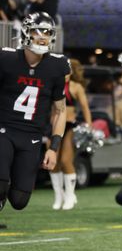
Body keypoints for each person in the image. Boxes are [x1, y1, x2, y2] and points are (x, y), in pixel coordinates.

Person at [0, 12, 69, 212]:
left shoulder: (57, 66)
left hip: (32, 136)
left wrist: (54, 147)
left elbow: (60, 110)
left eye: (47, 32)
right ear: (25, 33)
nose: (42, 36)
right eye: (37, 31)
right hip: (4, 129)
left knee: (19, 201)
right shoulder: (6, 58)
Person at [48, 58, 92, 210]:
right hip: (51, 126)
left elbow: (85, 107)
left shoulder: (75, 86)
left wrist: (89, 127)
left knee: (66, 160)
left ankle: (70, 195)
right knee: (52, 163)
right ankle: (58, 196)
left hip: (69, 125)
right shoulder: (52, 83)